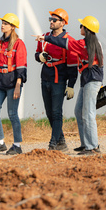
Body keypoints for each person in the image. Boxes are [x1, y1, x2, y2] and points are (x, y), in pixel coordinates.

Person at [34, 16, 103, 155]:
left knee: (88, 113)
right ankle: (85, 144)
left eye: (82, 26)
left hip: (92, 80)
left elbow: (64, 43)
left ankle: (93, 147)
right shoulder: (89, 43)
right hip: (86, 79)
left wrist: (45, 38)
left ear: (87, 29)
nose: (80, 28)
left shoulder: (84, 44)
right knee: (79, 111)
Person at [35, 8, 78, 151]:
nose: (51, 22)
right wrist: (39, 57)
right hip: (45, 77)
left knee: (56, 112)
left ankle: (53, 144)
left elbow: (72, 65)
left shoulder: (69, 41)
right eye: (50, 19)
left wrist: (71, 85)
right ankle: (61, 142)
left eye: (54, 20)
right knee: (49, 112)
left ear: (63, 23)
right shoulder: (44, 37)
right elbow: (37, 54)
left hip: (59, 79)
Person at [0, 13, 27, 155]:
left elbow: (21, 66)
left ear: (12, 27)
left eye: (5, 23)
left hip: (12, 82)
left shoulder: (18, 43)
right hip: (0, 81)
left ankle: (17, 145)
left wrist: (18, 85)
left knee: (12, 114)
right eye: (2, 23)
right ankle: (0, 143)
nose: (2, 25)